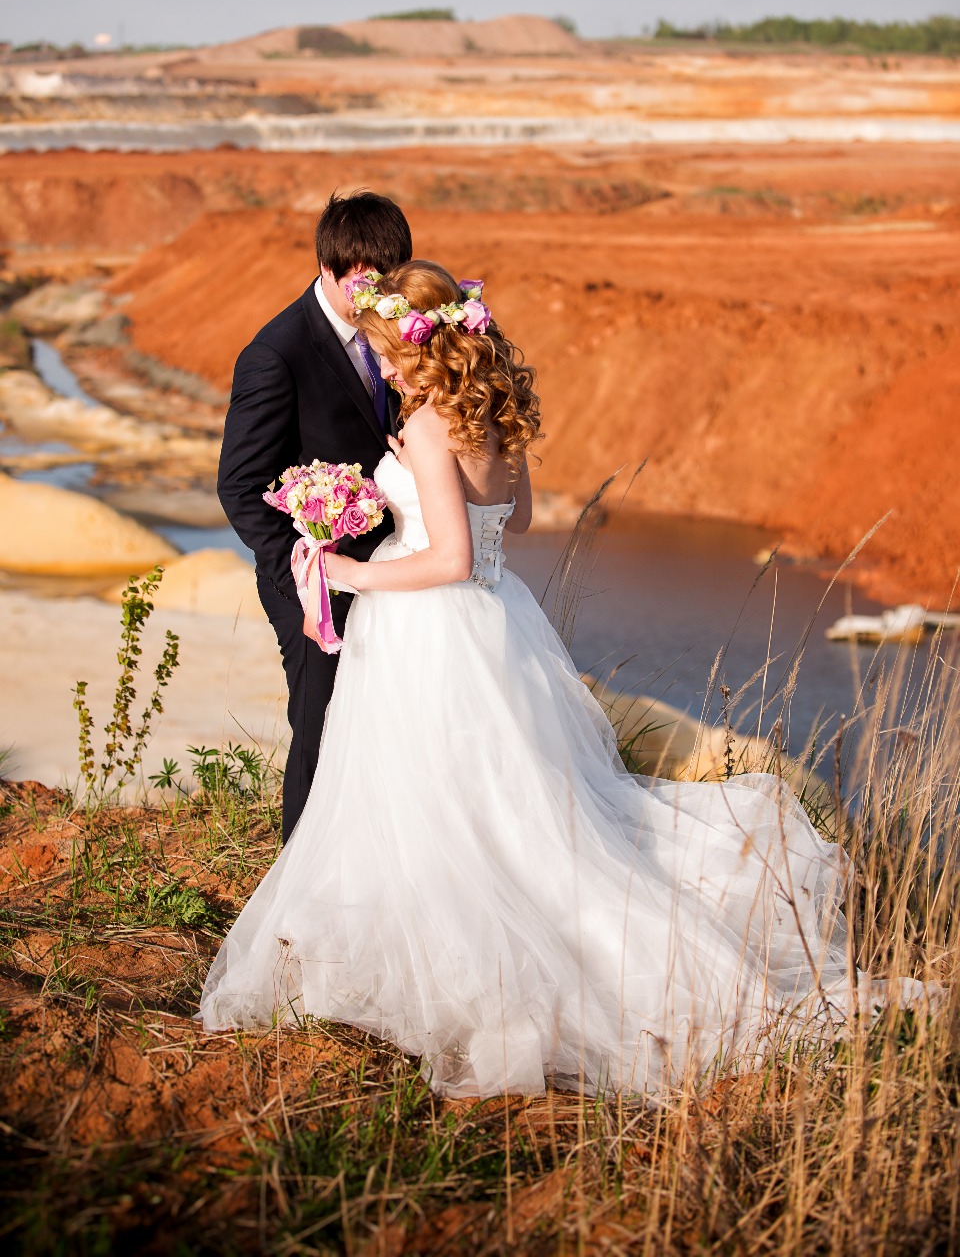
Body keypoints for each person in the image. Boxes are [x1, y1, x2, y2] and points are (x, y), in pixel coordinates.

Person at [201, 260, 914, 1102]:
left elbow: (449, 558)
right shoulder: (489, 416)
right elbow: (517, 522)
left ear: (421, 347)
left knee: (431, 792)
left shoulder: (426, 426)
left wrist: (353, 569)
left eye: (390, 352)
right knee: (499, 794)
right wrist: (409, 494)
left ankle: (448, 940)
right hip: (496, 617)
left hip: (429, 627)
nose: (384, 368)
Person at [217, 191, 412, 843]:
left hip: (391, 568)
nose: (379, 295)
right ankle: (298, 874)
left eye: (388, 280)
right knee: (321, 726)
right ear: (328, 267)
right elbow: (239, 485)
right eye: (365, 281)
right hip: (312, 582)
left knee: (381, 722)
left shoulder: (393, 329)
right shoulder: (277, 353)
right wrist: (304, 575)